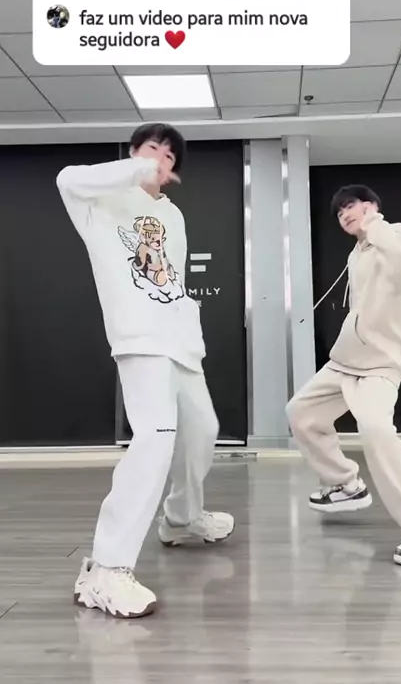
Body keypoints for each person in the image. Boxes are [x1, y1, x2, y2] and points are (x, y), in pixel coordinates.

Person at [57, 123, 234, 618]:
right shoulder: (98, 199)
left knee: (202, 430)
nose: (160, 159)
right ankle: (106, 569)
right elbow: (67, 178)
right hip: (140, 339)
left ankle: (181, 518)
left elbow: (170, 276)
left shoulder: (172, 215)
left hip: (181, 342)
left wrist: (187, 323)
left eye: (169, 156)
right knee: (155, 440)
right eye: (152, 148)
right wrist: (136, 170)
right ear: (133, 152)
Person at [287, 185, 401, 567]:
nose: (345, 214)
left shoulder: (394, 234)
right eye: (339, 211)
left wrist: (374, 224)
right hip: (346, 360)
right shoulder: (356, 253)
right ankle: (345, 483)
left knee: (375, 428)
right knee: (301, 412)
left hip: (381, 363)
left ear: (372, 206)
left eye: (351, 206)